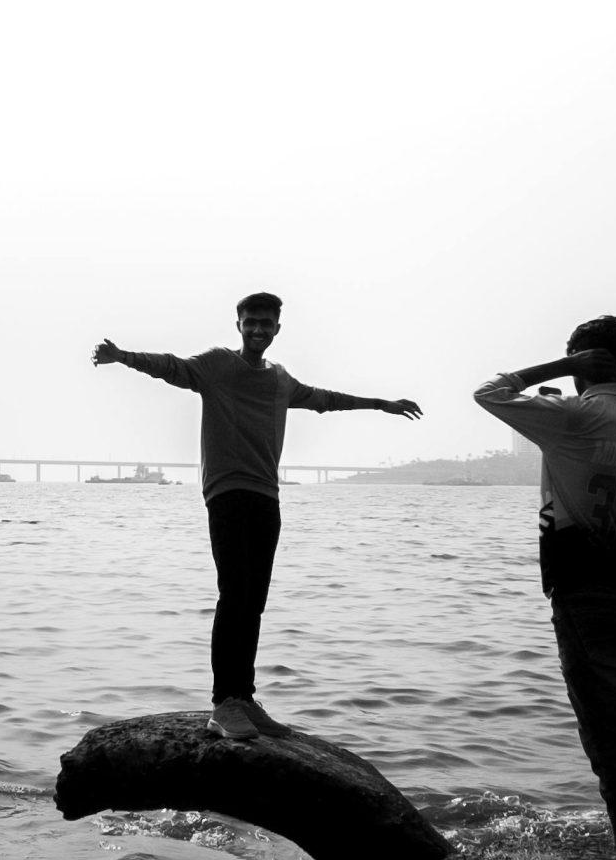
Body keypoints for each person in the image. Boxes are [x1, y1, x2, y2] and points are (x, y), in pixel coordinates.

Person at [93, 292, 423, 741]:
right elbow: (172, 366)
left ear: (277, 329)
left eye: (266, 323)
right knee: (235, 594)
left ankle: (243, 698)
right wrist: (122, 357)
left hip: (267, 495)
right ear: (239, 325)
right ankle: (223, 704)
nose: (258, 330)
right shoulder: (217, 366)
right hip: (227, 492)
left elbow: (325, 399)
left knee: (254, 600)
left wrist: (380, 403)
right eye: (251, 322)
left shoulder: (280, 380)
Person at [473, 316, 616, 860]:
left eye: (576, 358)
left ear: (586, 360)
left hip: (582, 590)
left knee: (611, 746)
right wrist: (581, 386)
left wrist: (558, 372)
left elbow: (489, 392)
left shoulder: (574, 419)